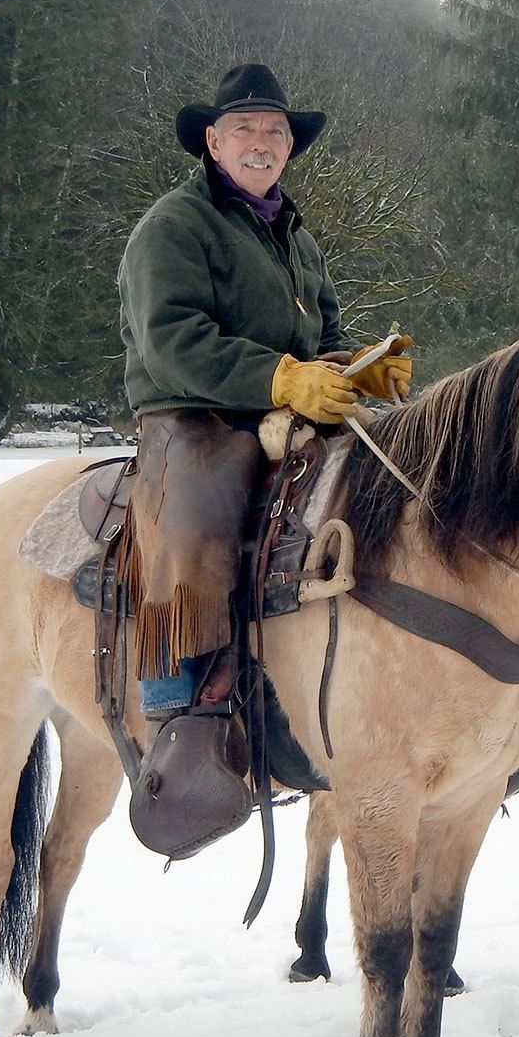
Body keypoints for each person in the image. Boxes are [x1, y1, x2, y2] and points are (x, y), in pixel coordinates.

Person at [117, 63, 412, 730]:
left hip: (290, 408)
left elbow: (325, 334)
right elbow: (171, 341)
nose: (261, 141)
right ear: (213, 142)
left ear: (289, 146)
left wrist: (357, 369)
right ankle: (174, 690)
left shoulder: (296, 238)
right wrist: (280, 378)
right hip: (194, 411)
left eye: (274, 130)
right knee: (196, 518)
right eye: (244, 127)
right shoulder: (173, 225)